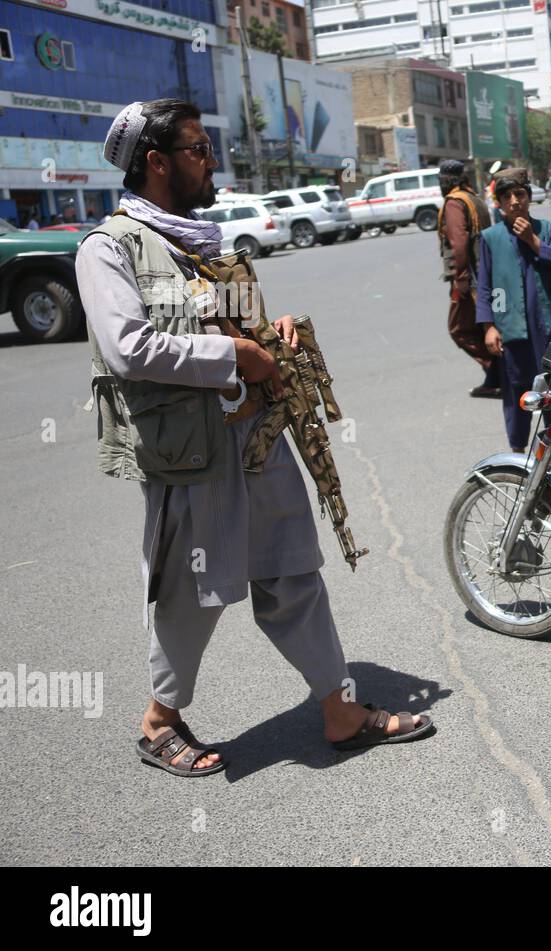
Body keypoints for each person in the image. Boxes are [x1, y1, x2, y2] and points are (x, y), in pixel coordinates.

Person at [76, 100, 435, 777]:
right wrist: (238, 358)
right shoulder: (109, 248)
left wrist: (278, 332)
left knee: (294, 575)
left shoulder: (197, 240)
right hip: (193, 456)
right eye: (196, 149)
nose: (211, 159)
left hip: (255, 442)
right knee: (194, 591)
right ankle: (160, 722)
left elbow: (238, 324)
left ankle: (338, 710)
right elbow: (128, 347)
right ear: (155, 163)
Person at [476, 168, 551, 452]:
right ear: (499, 203)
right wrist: (489, 326)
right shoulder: (491, 237)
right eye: (507, 196)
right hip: (511, 326)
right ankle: (517, 449)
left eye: (520, 194)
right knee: (517, 387)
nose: (514, 201)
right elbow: (486, 285)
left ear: (528, 197)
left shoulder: (544, 228)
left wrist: (533, 240)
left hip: (547, 323)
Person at [437, 159, 499, 399]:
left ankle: (497, 370)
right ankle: (495, 377)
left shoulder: (454, 202)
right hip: (485, 272)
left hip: (469, 278)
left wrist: (461, 280)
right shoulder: (473, 198)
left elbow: (459, 243)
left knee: (459, 329)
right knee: (483, 326)